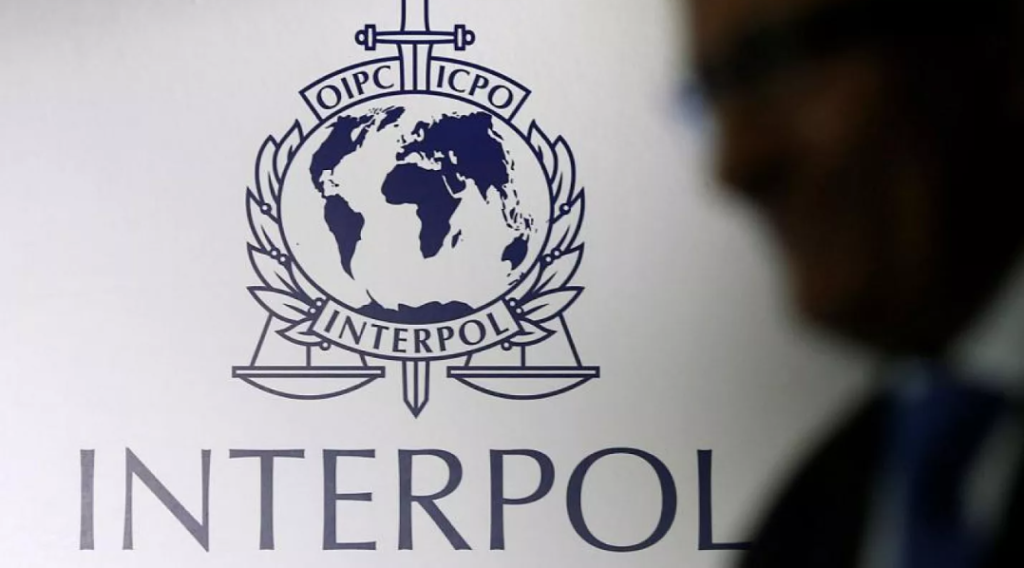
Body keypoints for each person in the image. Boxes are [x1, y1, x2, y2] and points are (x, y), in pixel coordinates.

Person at [683, 0, 1024, 566]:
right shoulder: (796, 532)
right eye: (713, 94)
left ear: (1003, 43)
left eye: (776, 62)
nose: (735, 165)